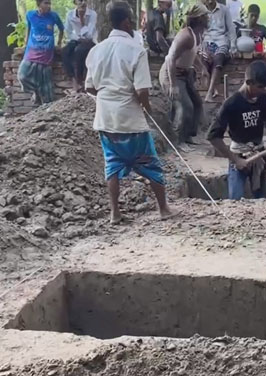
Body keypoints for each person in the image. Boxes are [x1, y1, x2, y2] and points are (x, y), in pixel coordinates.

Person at [85, 5, 176, 224]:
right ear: (126, 22)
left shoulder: (97, 50)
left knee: (112, 165)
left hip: (105, 118)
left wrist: (108, 95)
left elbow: (89, 87)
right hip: (130, 119)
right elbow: (142, 90)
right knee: (150, 164)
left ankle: (115, 213)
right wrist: (147, 108)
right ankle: (163, 208)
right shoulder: (136, 50)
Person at [208, 61, 266, 200]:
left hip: (259, 155)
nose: (263, 91)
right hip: (239, 156)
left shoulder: (264, 98)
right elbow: (213, 136)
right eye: (260, 87)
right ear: (249, 82)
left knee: (260, 199)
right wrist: (235, 160)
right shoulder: (231, 104)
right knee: (235, 200)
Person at [159, 4, 209, 151]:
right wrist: (173, 85)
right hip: (172, 74)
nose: (208, 18)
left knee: (197, 104)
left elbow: (191, 55)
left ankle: (188, 136)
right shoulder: (185, 36)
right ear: (200, 18)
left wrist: (203, 69)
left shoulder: (196, 34)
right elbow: (170, 59)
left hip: (184, 74)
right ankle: (177, 142)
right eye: (206, 16)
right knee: (186, 106)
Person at [19, 0, 64, 105]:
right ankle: (34, 91)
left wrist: (59, 43)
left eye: (49, 3)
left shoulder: (53, 16)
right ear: (39, 4)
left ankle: (46, 105)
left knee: (45, 82)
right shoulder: (30, 15)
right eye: (46, 3)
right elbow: (29, 29)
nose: (48, 6)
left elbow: (61, 29)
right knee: (23, 75)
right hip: (32, 51)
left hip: (46, 52)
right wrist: (26, 43)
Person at [202, 0, 238, 102]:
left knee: (218, 59)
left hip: (221, 41)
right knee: (203, 61)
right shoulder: (202, 11)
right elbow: (199, 32)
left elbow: (231, 29)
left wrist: (233, 47)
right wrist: (202, 47)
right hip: (206, 42)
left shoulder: (224, 10)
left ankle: (209, 92)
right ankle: (215, 89)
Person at [63, 0, 96, 93]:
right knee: (65, 51)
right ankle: (73, 80)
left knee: (79, 51)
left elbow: (89, 35)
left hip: (89, 41)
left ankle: (80, 80)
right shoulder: (70, 15)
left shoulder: (92, 14)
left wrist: (82, 20)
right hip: (77, 39)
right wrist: (77, 38)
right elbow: (68, 32)